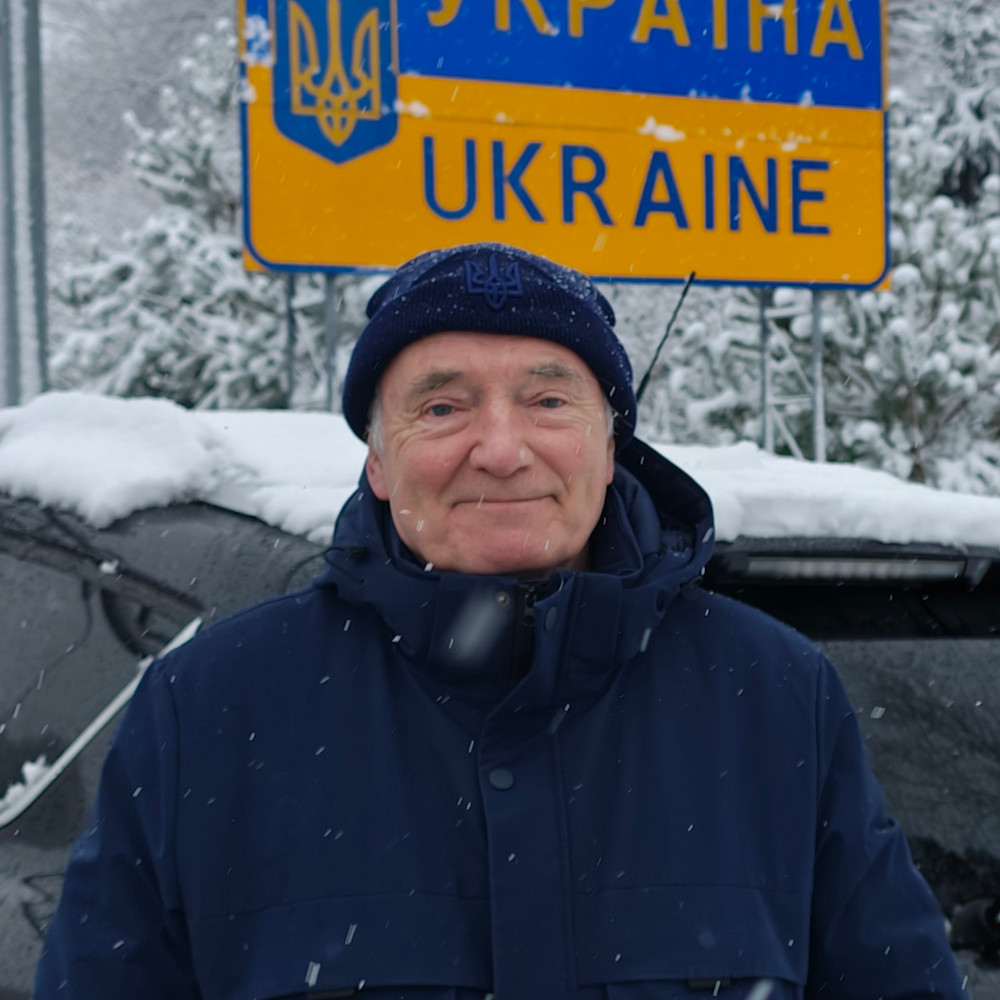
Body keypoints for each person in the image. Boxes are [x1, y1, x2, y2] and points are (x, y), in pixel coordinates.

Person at [35, 243, 966, 1000]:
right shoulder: (211, 713)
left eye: (548, 400)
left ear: (609, 443)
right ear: (378, 462)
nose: (502, 448)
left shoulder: (774, 699)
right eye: (443, 406)